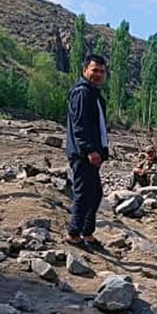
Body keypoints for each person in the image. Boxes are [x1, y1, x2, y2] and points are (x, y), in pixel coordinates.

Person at [65, 54, 109, 249]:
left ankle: (87, 232)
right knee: (83, 193)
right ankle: (74, 234)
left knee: (95, 193)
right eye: (94, 70)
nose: (98, 74)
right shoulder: (82, 93)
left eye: (101, 71)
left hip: (91, 154)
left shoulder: (93, 93)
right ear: (85, 71)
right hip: (83, 154)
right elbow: (79, 125)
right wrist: (90, 150)